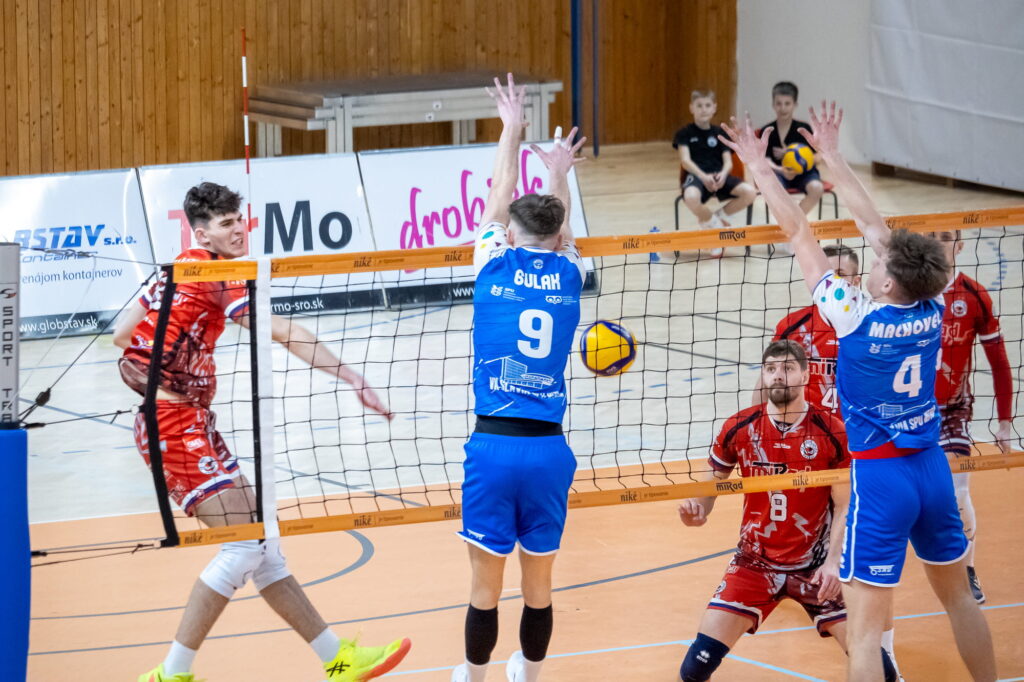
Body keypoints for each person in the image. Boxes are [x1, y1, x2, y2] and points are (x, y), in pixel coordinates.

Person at [720, 103, 997, 681]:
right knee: (959, 600)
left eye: (877, 265)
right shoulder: (935, 301)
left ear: (888, 280)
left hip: (880, 478)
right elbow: (878, 230)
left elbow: (798, 231)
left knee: (866, 632)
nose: (868, 264)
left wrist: (758, 166)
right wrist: (833, 157)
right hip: (931, 467)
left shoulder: (852, 315)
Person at [113, 182, 410, 682]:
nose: (238, 230)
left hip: (189, 420)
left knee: (264, 546)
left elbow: (122, 334)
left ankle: (336, 659)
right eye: (226, 223)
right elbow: (284, 331)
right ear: (202, 233)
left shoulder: (174, 269)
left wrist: (161, 363)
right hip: (173, 425)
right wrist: (351, 377)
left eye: (239, 220)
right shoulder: (214, 271)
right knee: (245, 546)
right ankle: (171, 673)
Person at [451, 74, 585, 682]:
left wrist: (511, 128)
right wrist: (559, 171)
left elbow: (499, 190)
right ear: (559, 237)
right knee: (540, 587)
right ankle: (528, 677)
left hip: (494, 447)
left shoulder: (491, 262)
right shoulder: (570, 274)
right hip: (549, 450)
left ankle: (474, 678)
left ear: (509, 234)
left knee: (485, 588)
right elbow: (560, 224)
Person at [678, 341, 900, 682]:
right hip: (754, 564)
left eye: (787, 368)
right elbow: (710, 487)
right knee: (694, 668)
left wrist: (833, 562)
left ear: (805, 375)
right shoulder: (740, 427)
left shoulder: (832, 432)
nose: (778, 375)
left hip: (816, 568)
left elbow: (845, 504)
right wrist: (698, 510)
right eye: (770, 369)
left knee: (881, 670)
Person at [929, 228, 1016, 603]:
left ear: (961, 245)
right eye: (931, 235)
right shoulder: (905, 290)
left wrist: (1004, 422)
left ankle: (967, 569)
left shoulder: (973, 295)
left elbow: (1000, 363)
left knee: (958, 491)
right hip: (907, 413)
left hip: (953, 411)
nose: (938, 242)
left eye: (946, 236)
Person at [752, 243, 861, 414]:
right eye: (826, 276)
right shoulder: (793, 326)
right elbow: (766, 383)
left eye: (840, 274)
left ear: (856, 281)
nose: (833, 283)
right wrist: (757, 424)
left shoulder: (874, 325)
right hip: (807, 426)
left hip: (859, 426)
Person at [672, 89, 756, 256]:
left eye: (707, 105)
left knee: (750, 192)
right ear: (691, 108)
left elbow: (728, 162)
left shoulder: (719, 133)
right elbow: (685, 161)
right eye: (699, 105)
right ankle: (716, 226)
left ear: (714, 108)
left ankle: (713, 220)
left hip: (719, 176)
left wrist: (723, 175)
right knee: (690, 197)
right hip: (697, 176)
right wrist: (703, 177)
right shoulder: (684, 133)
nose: (703, 109)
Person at [760, 81, 825, 216]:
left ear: (795, 105)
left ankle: (794, 220)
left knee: (817, 188)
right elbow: (763, 160)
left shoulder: (803, 129)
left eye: (787, 103)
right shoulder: (767, 131)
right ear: (773, 105)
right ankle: (789, 221)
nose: (783, 108)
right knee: (773, 189)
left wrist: (796, 155)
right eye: (778, 103)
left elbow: (819, 156)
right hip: (778, 173)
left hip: (804, 173)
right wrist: (781, 170)